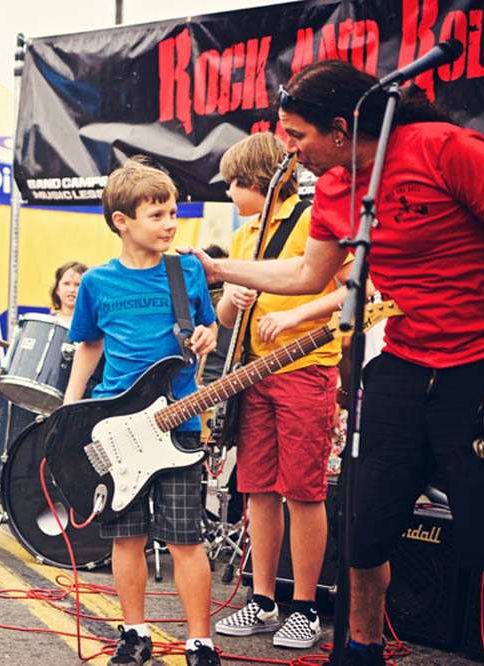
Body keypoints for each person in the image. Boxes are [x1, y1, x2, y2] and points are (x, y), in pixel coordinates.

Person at [183, 59, 484, 666]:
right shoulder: (336, 188)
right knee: (365, 527)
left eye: (297, 135)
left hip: (475, 366)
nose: (289, 150)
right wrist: (218, 269)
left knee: (479, 536)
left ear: (342, 130)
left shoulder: (444, 149)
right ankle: (360, 648)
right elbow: (306, 273)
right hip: (403, 364)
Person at [64, 159, 220, 666]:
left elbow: (209, 326)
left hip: (178, 428)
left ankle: (201, 642)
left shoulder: (187, 271)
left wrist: (207, 334)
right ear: (121, 221)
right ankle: (134, 633)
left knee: (184, 539)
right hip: (117, 431)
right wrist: (70, 409)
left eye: (173, 212)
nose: (170, 224)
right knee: (126, 538)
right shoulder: (97, 283)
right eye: (157, 215)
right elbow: (88, 345)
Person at [212, 133, 347, 649]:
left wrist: (294, 312)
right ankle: (264, 600)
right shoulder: (245, 235)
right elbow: (225, 313)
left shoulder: (314, 220)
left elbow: (348, 291)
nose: (228, 193)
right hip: (253, 373)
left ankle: (306, 607)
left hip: (304, 368)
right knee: (258, 488)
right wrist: (233, 300)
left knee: (303, 490)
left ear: (258, 180)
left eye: (232, 183)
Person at [49, 260, 86, 327]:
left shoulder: (94, 326)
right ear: (57, 289)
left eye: (78, 285)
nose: (71, 290)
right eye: (66, 284)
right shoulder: (47, 322)